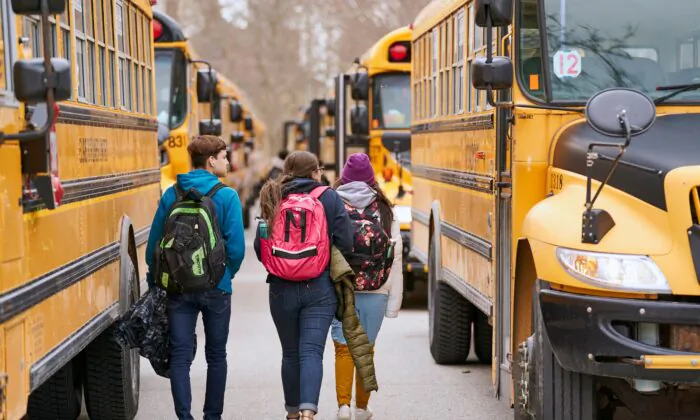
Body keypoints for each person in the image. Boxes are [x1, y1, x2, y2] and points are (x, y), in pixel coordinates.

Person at [145, 135, 246, 420]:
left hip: (177, 287)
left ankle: (184, 416)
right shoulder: (226, 196)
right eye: (225, 156)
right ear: (211, 160)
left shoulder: (172, 194)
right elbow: (236, 247)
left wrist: (157, 281)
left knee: (179, 356)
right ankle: (212, 416)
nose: (228, 161)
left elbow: (155, 245)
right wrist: (225, 276)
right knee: (216, 355)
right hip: (216, 287)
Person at [254, 150, 354, 420]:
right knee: (311, 352)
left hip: (280, 287)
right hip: (319, 287)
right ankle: (309, 412)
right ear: (314, 172)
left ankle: (292, 413)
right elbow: (346, 241)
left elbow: (259, 246)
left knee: (290, 354)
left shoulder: (273, 195)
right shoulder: (327, 196)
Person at [331, 153, 403, 420]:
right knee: (366, 347)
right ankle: (361, 407)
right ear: (372, 178)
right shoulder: (384, 208)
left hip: (343, 286)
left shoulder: (333, 204)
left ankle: (343, 406)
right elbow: (396, 255)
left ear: (344, 177)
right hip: (377, 288)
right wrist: (394, 304)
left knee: (343, 346)